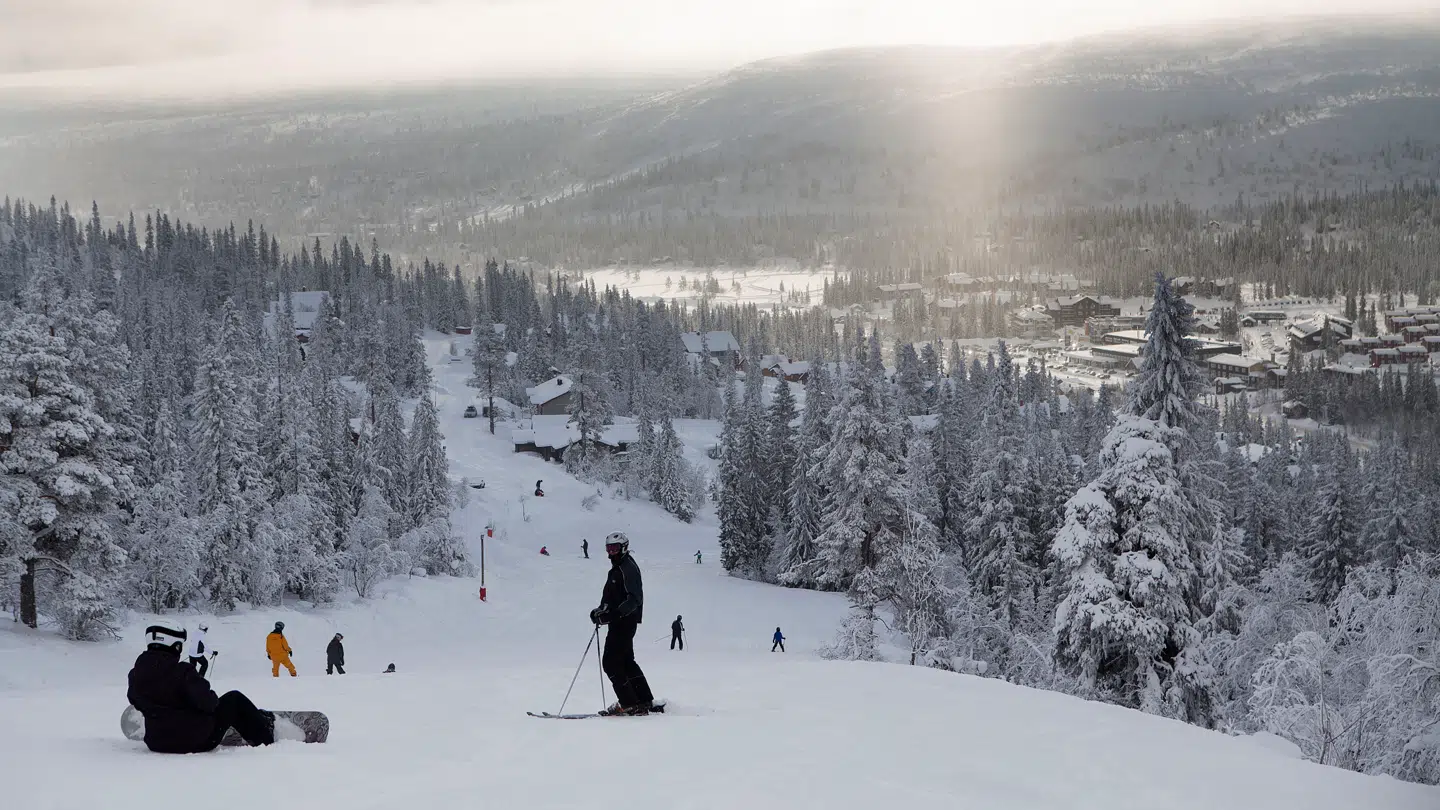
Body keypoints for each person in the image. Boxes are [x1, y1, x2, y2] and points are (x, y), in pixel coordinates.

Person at [127, 622, 277, 753]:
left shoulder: (135, 675)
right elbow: (209, 703)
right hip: (197, 741)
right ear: (176, 645)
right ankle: (265, 737)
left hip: (156, 742)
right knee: (234, 699)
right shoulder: (183, 671)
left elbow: (135, 700)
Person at [589, 532, 655, 716]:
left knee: (611, 662)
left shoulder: (627, 568)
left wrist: (613, 615)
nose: (611, 552)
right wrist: (600, 611)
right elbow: (612, 597)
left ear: (624, 547)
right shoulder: (619, 567)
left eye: (615, 548)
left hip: (624, 622)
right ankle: (643, 699)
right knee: (626, 661)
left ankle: (629, 703)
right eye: (609, 548)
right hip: (622, 622)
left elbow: (634, 598)